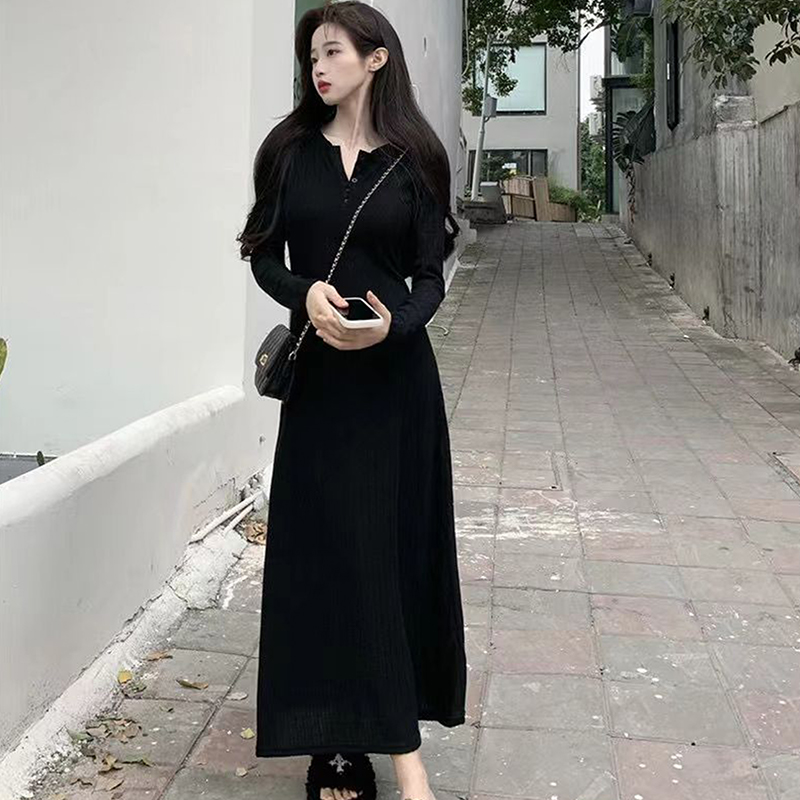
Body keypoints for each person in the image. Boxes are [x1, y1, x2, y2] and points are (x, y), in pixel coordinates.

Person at [236, 3, 467, 799]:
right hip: (321, 393)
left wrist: (392, 326)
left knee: (390, 553)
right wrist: (304, 295)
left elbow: (431, 278)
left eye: (332, 52)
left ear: (375, 59)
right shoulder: (288, 151)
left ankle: (399, 748)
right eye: (311, 56)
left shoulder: (416, 159)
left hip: (397, 385)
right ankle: (336, 741)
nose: (318, 67)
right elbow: (262, 256)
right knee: (327, 557)